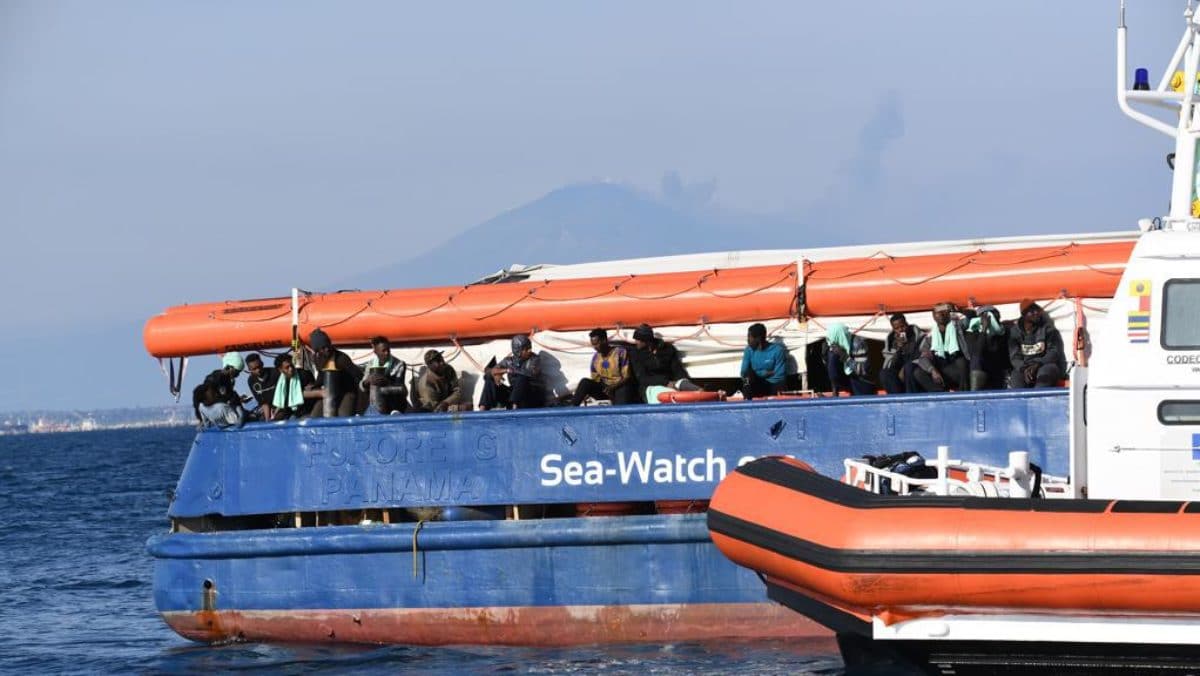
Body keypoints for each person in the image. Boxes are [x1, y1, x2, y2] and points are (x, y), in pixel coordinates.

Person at [630, 324, 699, 403]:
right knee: (672, 395)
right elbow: (643, 378)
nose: (636, 342)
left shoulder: (667, 349)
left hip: (672, 382)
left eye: (638, 340)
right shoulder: (636, 354)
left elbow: (677, 369)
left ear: (646, 340)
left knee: (688, 387)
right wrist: (665, 382)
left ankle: (700, 394)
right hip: (651, 386)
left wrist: (683, 380)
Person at [911, 302, 971, 393]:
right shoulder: (930, 337)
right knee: (918, 372)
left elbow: (971, 317)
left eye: (944, 312)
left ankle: (964, 394)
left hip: (957, 370)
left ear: (949, 314)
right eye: (938, 312)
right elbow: (923, 358)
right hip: (940, 372)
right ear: (934, 316)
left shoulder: (958, 327)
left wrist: (960, 310)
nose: (941, 314)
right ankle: (940, 394)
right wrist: (932, 370)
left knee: (961, 362)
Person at [1008, 299, 1066, 388]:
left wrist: (1038, 364)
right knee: (1016, 377)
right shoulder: (1015, 332)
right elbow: (1015, 357)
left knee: (1045, 374)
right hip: (1025, 367)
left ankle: (1038, 401)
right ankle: (1021, 401)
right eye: (1031, 311)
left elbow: (1054, 352)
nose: (1036, 313)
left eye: (1037, 310)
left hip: (1045, 364)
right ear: (1024, 314)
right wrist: (1024, 368)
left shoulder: (1047, 329)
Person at [571, 328, 637, 406]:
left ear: (604, 341)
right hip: (605, 389)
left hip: (619, 387)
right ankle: (571, 409)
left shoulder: (620, 352)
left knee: (624, 389)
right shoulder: (596, 357)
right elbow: (596, 378)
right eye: (593, 344)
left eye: (596, 344)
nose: (595, 347)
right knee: (585, 382)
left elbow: (627, 377)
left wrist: (613, 387)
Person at [307, 328, 362, 417]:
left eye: (327, 345)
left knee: (343, 415)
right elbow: (321, 377)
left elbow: (358, 376)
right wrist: (314, 386)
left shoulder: (342, 358)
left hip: (347, 392)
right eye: (323, 348)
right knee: (315, 416)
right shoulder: (318, 359)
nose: (327, 349)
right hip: (329, 392)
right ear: (317, 351)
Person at [480, 335, 545, 410]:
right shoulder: (509, 361)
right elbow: (490, 371)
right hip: (514, 394)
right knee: (489, 378)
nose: (529, 350)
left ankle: (515, 408)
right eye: (526, 349)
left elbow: (530, 373)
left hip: (531, 396)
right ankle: (483, 408)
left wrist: (508, 370)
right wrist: (496, 374)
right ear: (518, 351)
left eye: (530, 347)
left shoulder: (534, 359)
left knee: (522, 378)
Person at [359, 336, 408, 414]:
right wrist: (367, 381)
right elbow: (362, 386)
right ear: (376, 352)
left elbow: (401, 387)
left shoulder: (399, 364)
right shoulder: (371, 364)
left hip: (393, 401)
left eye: (388, 350)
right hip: (375, 400)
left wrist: (387, 381)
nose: (387, 353)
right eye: (383, 351)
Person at [964, 305, 1008, 390]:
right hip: (980, 369)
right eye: (994, 315)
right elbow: (977, 352)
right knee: (976, 360)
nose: (998, 317)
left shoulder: (1001, 332)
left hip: (996, 369)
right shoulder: (972, 332)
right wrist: (984, 330)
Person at [824, 323, 874, 395]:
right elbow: (833, 370)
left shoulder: (858, 344)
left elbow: (863, 371)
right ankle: (835, 391)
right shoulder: (832, 347)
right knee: (831, 356)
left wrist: (845, 357)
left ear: (839, 336)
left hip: (862, 381)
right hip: (847, 379)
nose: (831, 345)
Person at [880, 313, 923, 394]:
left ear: (906, 324)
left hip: (915, 368)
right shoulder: (891, 340)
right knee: (884, 373)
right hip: (899, 371)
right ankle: (896, 398)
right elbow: (890, 363)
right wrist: (898, 349)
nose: (900, 330)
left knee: (908, 368)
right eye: (897, 328)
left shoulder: (918, 336)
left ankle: (911, 396)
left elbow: (922, 356)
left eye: (902, 326)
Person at [740, 323, 787, 399]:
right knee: (747, 377)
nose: (747, 340)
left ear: (758, 338)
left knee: (781, 383)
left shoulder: (777, 350)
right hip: (757, 384)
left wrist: (757, 372)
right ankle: (747, 402)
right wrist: (764, 373)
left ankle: (778, 404)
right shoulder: (748, 350)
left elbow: (779, 375)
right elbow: (743, 372)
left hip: (773, 384)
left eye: (749, 337)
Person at [271, 353, 322, 420]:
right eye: (287, 367)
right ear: (280, 370)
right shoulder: (279, 382)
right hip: (291, 413)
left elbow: (314, 391)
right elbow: (281, 399)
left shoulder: (304, 374)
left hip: (306, 412)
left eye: (292, 365)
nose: (291, 369)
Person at [245, 353, 279, 420]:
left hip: (281, 406)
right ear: (249, 369)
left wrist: (276, 412)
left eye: (259, 366)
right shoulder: (251, 381)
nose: (258, 370)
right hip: (268, 409)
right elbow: (263, 403)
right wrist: (267, 420)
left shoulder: (275, 372)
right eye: (254, 369)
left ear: (262, 363)